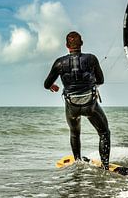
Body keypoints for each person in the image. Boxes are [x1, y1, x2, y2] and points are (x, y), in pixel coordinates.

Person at [44, 31, 110, 170]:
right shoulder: (91, 59)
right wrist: (91, 82)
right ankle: (105, 167)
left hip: (72, 106)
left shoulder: (59, 63)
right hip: (90, 106)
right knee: (104, 132)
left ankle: (78, 163)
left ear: (67, 46)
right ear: (81, 43)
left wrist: (52, 86)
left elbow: (46, 84)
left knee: (75, 133)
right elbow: (101, 80)